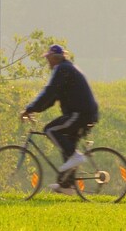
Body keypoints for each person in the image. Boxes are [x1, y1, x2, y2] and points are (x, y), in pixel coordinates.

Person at [20, 44, 100, 195]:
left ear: (55, 58)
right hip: (84, 113)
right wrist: (34, 109)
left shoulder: (62, 69)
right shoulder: (65, 69)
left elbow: (48, 92)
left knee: (50, 130)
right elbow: (51, 99)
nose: (47, 62)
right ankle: (66, 185)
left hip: (80, 113)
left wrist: (29, 108)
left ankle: (75, 157)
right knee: (67, 142)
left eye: (48, 58)